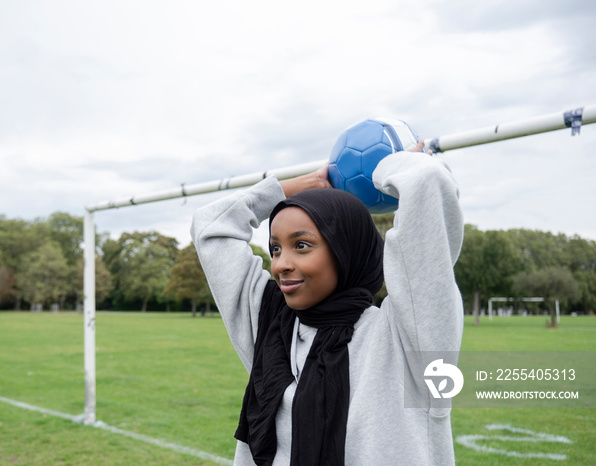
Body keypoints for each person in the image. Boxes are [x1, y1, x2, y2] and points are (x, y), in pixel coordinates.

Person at [191, 142, 464, 465]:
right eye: (275, 248)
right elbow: (210, 227)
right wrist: (298, 187)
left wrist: (392, 162)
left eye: (302, 245)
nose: (280, 265)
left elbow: (428, 183)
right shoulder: (270, 325)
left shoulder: (407, 341)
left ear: (344, 249)